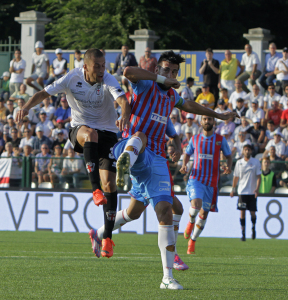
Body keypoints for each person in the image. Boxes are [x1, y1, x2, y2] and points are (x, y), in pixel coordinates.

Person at [95, 50, 237, 289]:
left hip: (158, 159)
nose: (170, 75)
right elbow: (127, 71)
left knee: (141, 212)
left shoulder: (171, 97)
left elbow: (190, 105)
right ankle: (167, 276)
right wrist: (159, 79)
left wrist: (219, 115)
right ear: (158, 70)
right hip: (135, 148)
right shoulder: (145, 85)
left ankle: (99, 234)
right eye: (166, 70)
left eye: (174, 72)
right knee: (140, 136)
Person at [16, 48, 131, 258]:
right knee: (91, 135)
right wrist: (26, 107)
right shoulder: (72, 78)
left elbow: (123, 100)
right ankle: (95, 191)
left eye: (103, 65)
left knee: (111, 185)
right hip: (81, 131)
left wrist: (124, 113)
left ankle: (106, 239)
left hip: (109, 134)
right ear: (85, 66)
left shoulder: (107, 79)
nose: (101, 70)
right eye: (97, 66)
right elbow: (44, 93)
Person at [179, 115, 232, 254]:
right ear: (201, 122)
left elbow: (229, 156)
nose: (207, 121)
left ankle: (193, 240)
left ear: (213, 122)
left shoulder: (220, 140)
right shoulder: (195, 139)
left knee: (203, 215)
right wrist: (184, 165)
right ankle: (190, 222)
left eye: (209, 119)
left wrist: (229, 166)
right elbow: (187, 154)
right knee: (196, 206)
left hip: (212, 183)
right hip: (196, 178)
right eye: (205, 119)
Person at [230, 142, 261, 241]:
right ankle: (243, 233)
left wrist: (257, 188)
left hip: (252, 192)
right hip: (242, 192)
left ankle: (253, 228)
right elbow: (236, 177)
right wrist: (233, 189)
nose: (247, 151)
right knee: (242, 212)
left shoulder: (256, 162)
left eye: (249, 150)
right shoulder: (239, 163)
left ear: (251, 151)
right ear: (243, 151)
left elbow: (259, 177)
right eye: (245, 149)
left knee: (252, 213)